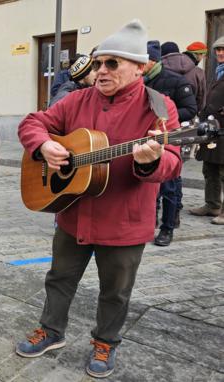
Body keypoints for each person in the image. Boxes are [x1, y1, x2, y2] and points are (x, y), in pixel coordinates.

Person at [15, 20, 182, 378]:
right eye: (97, 62)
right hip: (74, 212)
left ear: (139, 67)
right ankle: (52, 330)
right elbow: (32, 122)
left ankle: (105, 343)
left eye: (111, 63)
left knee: (116, 292)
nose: (100, 71)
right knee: (58, 277)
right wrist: (44, 145)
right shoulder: (77, 99)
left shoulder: (160, 106)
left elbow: (173, 161)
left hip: (124, 221)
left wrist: (151, 161)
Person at [144, 40, 197, 246]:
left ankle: (168, 228)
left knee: (169, 187)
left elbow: (190, 109)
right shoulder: (141, 81)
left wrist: (165, 117)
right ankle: (150, 222)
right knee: (150, 187)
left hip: (170, 139)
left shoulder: (176, 81)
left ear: (153, 60)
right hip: (148, 139)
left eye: (144, 60)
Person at [189, 36, 224, 225]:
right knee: (209, 169)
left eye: (223, 50)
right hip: (211, 130)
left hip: (223, 130)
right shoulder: (217, 72)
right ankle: (212, 205)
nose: (220, 53)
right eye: (218, 50)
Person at [162, 41, 206, 111]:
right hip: (188, 115)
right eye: (203, 55)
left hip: (164, 115)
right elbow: (201, 101)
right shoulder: (198, 72)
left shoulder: (160, 69)